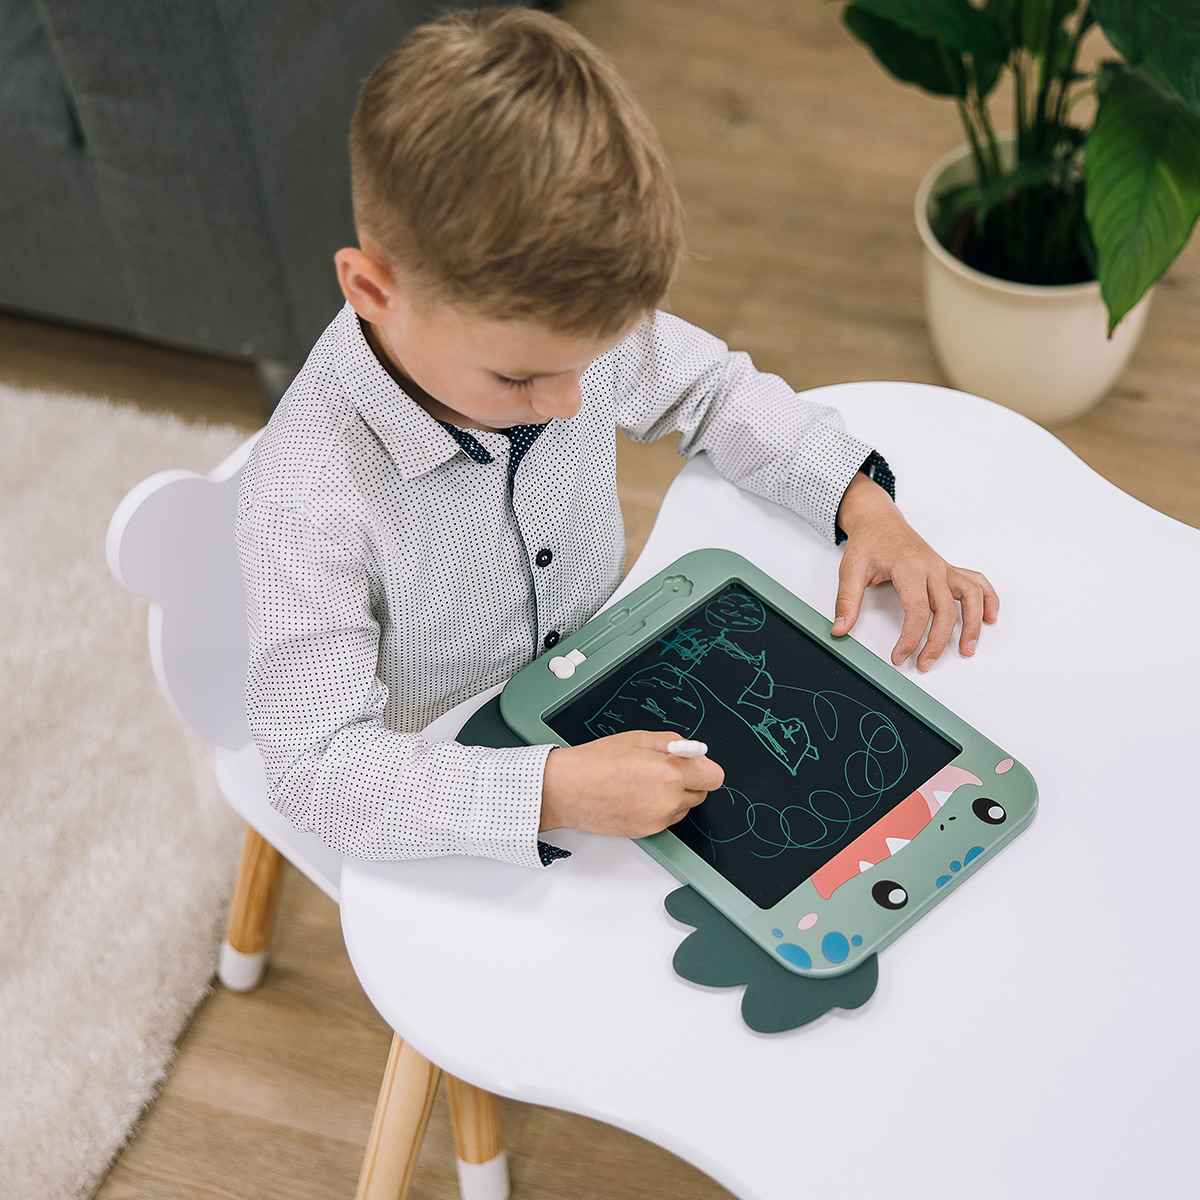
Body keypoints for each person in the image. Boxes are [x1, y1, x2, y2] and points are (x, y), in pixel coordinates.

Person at [235, 6, 999, 869]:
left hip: (610, 692)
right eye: (520, 380)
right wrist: (553, 791)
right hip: (458, 804)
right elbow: (316, 769)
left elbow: (712, 389)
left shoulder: (552, 333)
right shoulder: (305, 499)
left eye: (590, 362)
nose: (571, 403)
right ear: (374, 292)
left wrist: (864, 506)